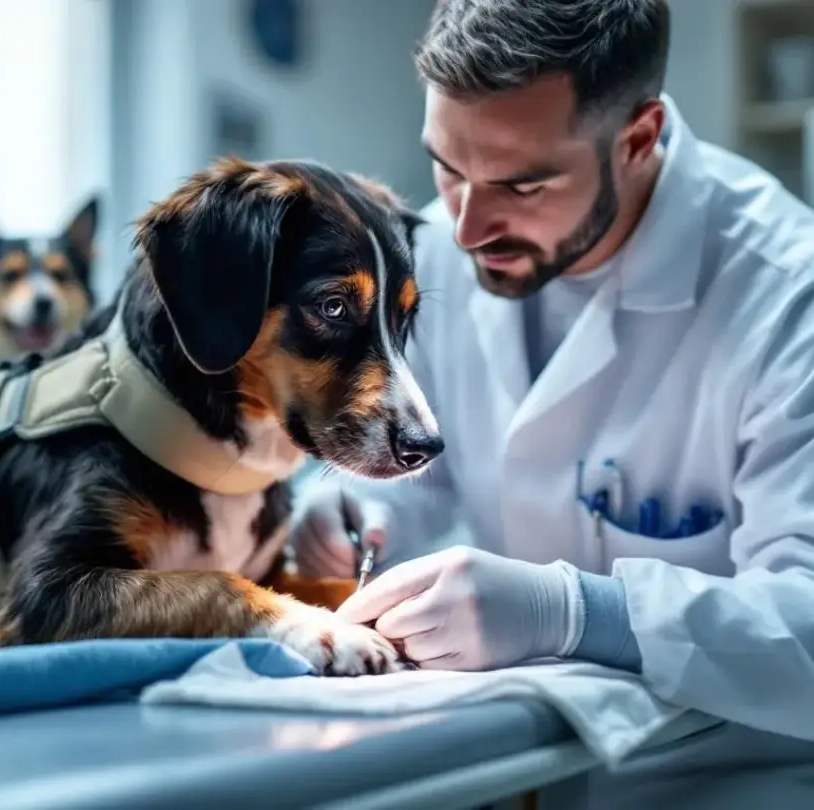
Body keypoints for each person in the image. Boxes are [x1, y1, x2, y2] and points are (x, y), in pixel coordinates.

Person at [288, 0, 814, 806]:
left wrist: (575, 613)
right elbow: (426, 471)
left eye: (521, 183)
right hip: (525, 770)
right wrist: (348, 507)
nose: (463, 228)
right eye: (446, 167)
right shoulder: (435, 250)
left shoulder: (785, 296)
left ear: (637, 141)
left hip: (730, 781)